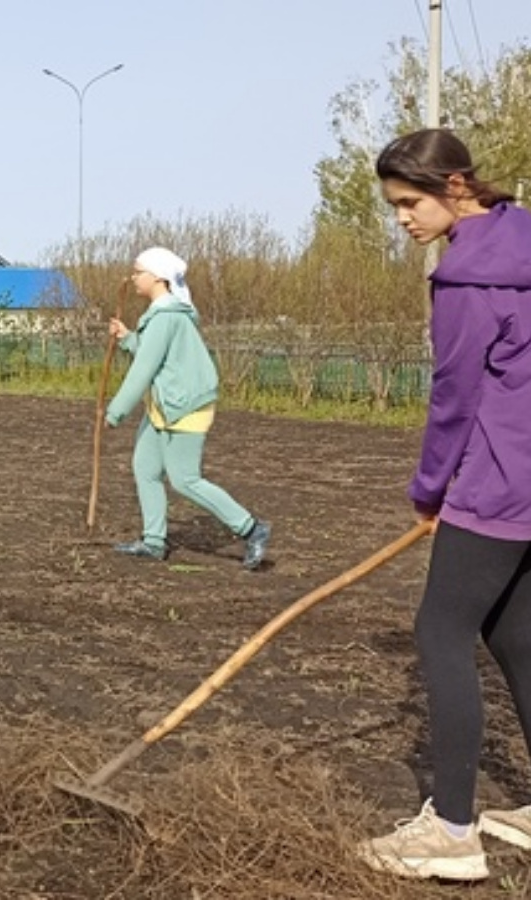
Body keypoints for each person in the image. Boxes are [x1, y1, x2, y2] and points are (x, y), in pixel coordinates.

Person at [358, 129, 531, 882]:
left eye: (409, 201)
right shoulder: (523, 238)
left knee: (440, 631)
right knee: (518, 638)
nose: (401, 218)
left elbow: (454, 400)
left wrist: (429, 491)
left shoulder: (467, 278)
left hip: (501, 479)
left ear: (455, 186)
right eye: (393, 205)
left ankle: (452, 833)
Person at [104, 246, 271, 569]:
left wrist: (116, 412)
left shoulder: (165, 316)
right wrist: (128, 338)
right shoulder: (161, 315)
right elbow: (153, 352)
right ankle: (154, 541)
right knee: (145, 468)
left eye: (138, 272)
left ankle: (252, 528)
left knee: (185, 479)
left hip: (185, 407)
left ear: (157, 277)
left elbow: (144, 370)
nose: (133, 277)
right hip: (164, 407)